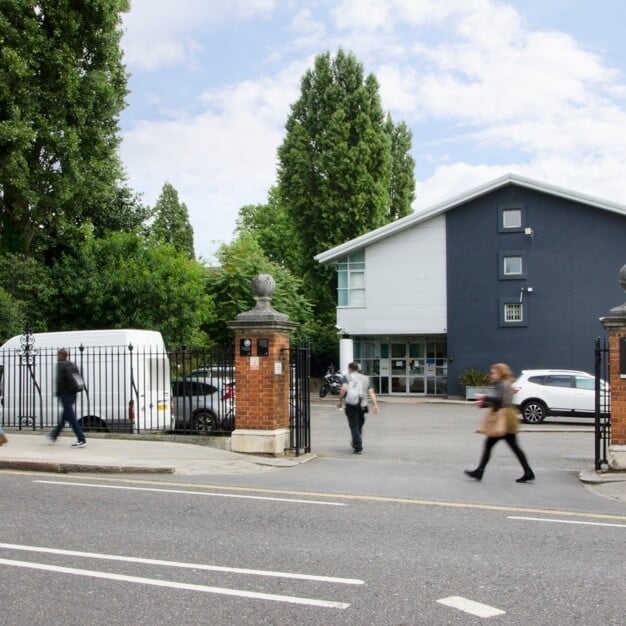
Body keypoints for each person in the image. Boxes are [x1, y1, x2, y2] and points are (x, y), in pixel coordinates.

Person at [464, 362, 535, 483]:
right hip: (505, 418)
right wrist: (483, 404)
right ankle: (528, 472)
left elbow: (499, 399)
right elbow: (499, 401)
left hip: (504, 419)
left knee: (494, 445)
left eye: (493, 372)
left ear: (500, 373)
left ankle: (480, 471)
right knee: (510, 447)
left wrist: (483, 397)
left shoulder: (502, 384)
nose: (491, 375)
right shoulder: (504, 384)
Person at [338, 362, 379, 454]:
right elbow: (371, 392)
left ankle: (358, 446)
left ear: (350, 369)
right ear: (358, 369)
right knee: (359, 424)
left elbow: (344, 389)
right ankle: (356, 440)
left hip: (351, 404)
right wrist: (374, 405)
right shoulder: (366, 378)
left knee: (354, 425)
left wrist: (340, 401)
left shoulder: (347, 377)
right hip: (362, 405)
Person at [49, 349, 87, 447]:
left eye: (58, 354)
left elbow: (59, 381)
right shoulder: (72, 364)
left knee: (71, 418)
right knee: (65, 416)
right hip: (73, 393)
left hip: (65, 394)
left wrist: (58, 393)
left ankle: (81, 439)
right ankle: (54, 435)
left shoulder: (61, 365)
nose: (57, 356)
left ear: (61, 355)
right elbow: (78, 378)